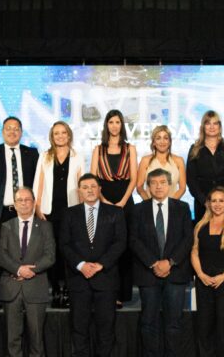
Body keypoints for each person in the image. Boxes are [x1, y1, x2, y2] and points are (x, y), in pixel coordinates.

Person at [59, 174, 127, 357]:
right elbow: (64, 244)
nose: (89, 190)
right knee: (79, 328)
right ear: (79, 192)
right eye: (85, 187)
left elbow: (120, 242)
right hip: (78, 280)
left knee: (106, 329)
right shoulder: (69, 214)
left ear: (99, 189)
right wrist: (81, 265)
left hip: (106, 278)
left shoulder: (115, 212)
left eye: (93, 186)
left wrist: (101, 264)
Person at [0, 116, 39, 309]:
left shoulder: (32, 153)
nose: (12, 132)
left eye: (16, 128)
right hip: (0, 214)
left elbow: (39, 184)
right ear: (2, 132)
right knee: (1, 256)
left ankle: (25, 297)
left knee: (26, 254)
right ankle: (0, 296)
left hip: (26, 212)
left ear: (21, 132)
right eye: (8, 128)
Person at [130, 169, 193, 356]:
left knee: (174, 323)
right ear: (148, 186)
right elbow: (133, 240)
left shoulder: (182, 208)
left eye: (163, 182)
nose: (158, 186)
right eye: (154, 183)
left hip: (176, 273)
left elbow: (188, 239)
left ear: (170, 185)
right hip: (148, 273)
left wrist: (170, 262)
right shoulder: (138, 210)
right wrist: (154, 263)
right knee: (148, 322)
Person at [0, 187, 55, 357]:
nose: (23, 203)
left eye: (27, 199)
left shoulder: (45, 226)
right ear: (14, 204)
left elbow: (50, 256)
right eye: (20, 200)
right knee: (12, 339)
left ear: (34, 202)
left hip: (35, 287)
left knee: (36, 339)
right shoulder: (6, 226)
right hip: (11, 288)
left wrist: (30, 271)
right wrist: (19, 269)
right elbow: (0, 255)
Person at [33, 121, 84, 308]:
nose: (60, 136)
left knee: (69, 253)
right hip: (49, 213)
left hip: (71, 212)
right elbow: (38, 183)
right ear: (52, 137)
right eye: (56, 133)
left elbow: (82, 185)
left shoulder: (77, 156)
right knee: (51, 253)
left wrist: (81, 211)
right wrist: (37, 208)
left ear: (69, 135)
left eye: (63, 132)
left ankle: (68, 290)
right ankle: (55, 289)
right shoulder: (44, 156)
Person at [90, 109, 138, 307]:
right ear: (106, 125)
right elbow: (93, 179)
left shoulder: (130, 148)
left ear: (122, 125)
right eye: (111, 122)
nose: (114, 126)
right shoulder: (98, 149)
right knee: (105, 248)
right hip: (103, 201)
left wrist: (122, 202)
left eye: (118, 122)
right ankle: (107, 292)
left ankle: (123, 293)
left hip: (125, 202)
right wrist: (104, 200)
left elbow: (134, 179)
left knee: (124, 247)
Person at [191, 186, 224, 357]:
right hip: (204, 280)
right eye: (214, 200)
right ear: (208, 203)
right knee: (204, 325)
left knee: (223, 324)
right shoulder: (200, 226)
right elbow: (194, 252)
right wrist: (201, 275)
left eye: (221, 200)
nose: (217, 204)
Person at [186, 110, 224, 224]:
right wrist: (204, 201)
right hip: (203, 204)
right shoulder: (194, 149)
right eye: (208, 123)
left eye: (215, 123)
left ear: (220, 126)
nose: (212, 127)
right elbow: (191, 180)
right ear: (203, 126)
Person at [136, 125, 187, 201]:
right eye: (158, 138)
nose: (162, 141)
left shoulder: (179, 161)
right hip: (150, 205)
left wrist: (169, 204)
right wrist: (149, 203)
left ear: (170, 142)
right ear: (153, 142)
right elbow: (139, 187)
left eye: (165, 138)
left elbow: (182, 188)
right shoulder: (145, 160)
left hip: (172, 205)